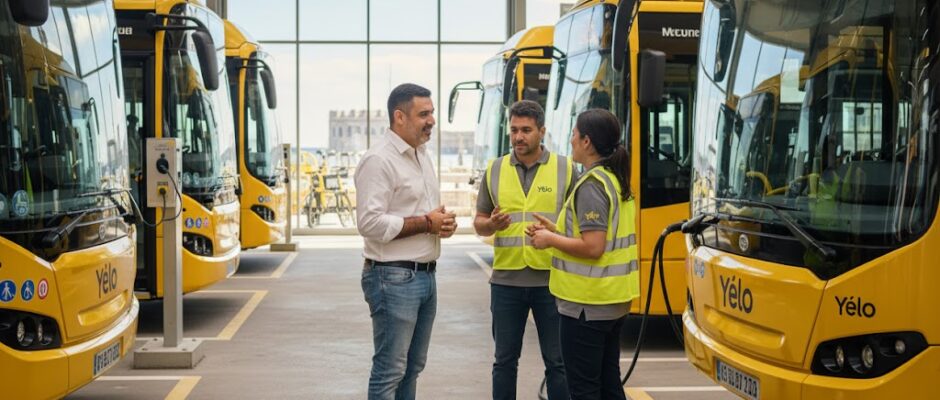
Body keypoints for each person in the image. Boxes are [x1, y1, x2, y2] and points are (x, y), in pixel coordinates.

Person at [355, 83, 458, 400]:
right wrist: (427, 222)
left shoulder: (421, 155)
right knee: (390, 370)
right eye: (423, 114)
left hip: (425, 275)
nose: (432, 120)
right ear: (399, 117)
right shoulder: (379, 160)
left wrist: (439, 224)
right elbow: (369, 223)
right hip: (392, 278)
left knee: (413, 367)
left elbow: (419, 213)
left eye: (432, 113)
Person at [527, 109, 638, 400]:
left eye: (574, 134)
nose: (571, 139)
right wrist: (556, 231)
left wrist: (550, 239)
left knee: (585, 390)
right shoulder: (612, 178)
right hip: (610, 301)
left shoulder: (591, 185)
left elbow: (594, 246)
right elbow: (597, 236)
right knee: (608, 386)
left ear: (587, 141)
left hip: (587, 305)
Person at [474, 100, 573, 400]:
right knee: (504, 361)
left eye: (526, 130)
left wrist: (555, 234)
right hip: (506, 283)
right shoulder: (494, 169)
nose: (519, 137)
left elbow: (579, 226)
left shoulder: (565, 169)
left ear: (542, 131)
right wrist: (491, 224)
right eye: (514, 130)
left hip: (552, 282)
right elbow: (479, 223)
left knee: (558, 363)